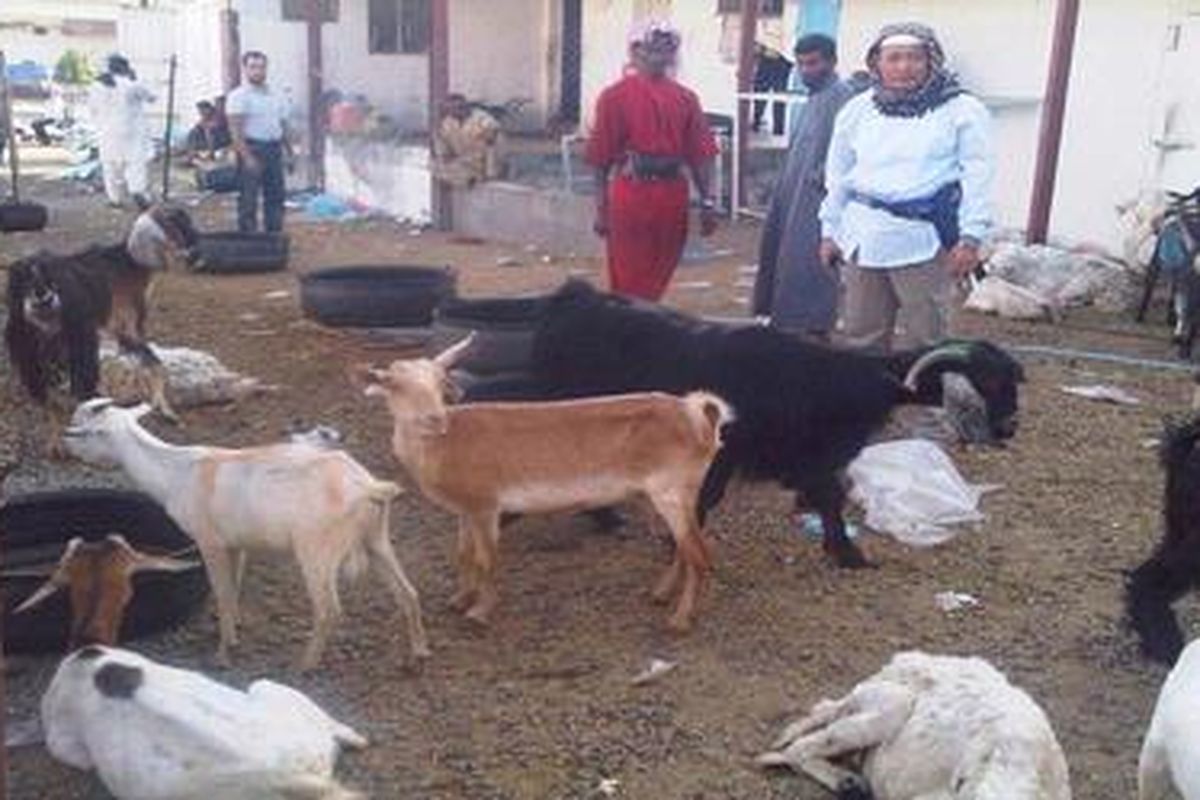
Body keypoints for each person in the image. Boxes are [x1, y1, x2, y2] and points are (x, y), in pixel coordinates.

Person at [819, 22, 993, 352]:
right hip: (863, 237)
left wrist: (970, 238)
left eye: (914, 58)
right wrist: (829, 230)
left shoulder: (961, 109)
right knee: (862, 334)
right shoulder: (859, 109)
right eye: (894, 58)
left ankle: (925, 400)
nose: (904, 67)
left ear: (931, 61)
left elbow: (978, 176)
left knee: (926, 337)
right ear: (877, 63)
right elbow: (838, 175)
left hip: (922, 241)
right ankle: (869, 401)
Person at [587, 21, 720, 302]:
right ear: (636, 52)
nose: (660, 56)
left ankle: (643, 327)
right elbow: (600, 158)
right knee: (629, 276)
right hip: (632, 195)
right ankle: (629, 333)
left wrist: (708, 202)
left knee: (662, 268)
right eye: (653, 49)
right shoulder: (614, 97)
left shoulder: (686, 98)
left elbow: (701, 155)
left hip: (672, 194)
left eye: (667, 49)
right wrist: (601, 208)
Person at [754, 34, 867, 340]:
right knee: (788, 266)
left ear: (831, 62)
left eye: (814, 63)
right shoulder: (815, 97)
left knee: (812, 270)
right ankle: (792, 333)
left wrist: (825, 180)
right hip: (793, 199)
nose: (806, 70)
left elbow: (851, 154)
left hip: (819, 205)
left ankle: (814, 338)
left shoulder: (842, 98)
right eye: (801, 64)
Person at [227, 51, 293, 233]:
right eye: (253, 67)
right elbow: (235, 131)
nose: (258, 71)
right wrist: (247, 158)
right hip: (252, 149)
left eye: (262, 67)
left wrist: (290, 153)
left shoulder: (276, 95)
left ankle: (273, 237)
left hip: (274, 150)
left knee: (276, 197)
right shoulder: (238, 96)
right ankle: (249, 242)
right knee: (248, 199)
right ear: (245, 69)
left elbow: (283, 125)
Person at [89, 54, 155, 208]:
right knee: (135, 163)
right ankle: (137, 191)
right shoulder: (131, 85)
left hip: (106, 131)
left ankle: (115, 198)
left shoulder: (96, 86)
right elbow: (151, 98)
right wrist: (134, 79)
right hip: (131, 130)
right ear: (125, 68)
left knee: (110, 165)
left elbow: (92, 109)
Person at [432, 93, 502, 187]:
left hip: (480, 165)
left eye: (453, 109)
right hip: (460, 163)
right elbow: (442, 144)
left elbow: (493, 144)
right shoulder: (448, 122)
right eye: (448, 110)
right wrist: (444, 155)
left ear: (463, 107)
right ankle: (464, 179)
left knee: (458, 173)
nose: (450, 113)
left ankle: (472, 178)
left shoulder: (483, 120)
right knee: (431, 167)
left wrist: (490, 173)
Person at [752, 43, 793, 136]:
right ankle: (757, 122)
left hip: (782, 60)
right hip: (766, 59)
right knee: (760, 94)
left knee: (779, 97)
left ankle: (778, 129)